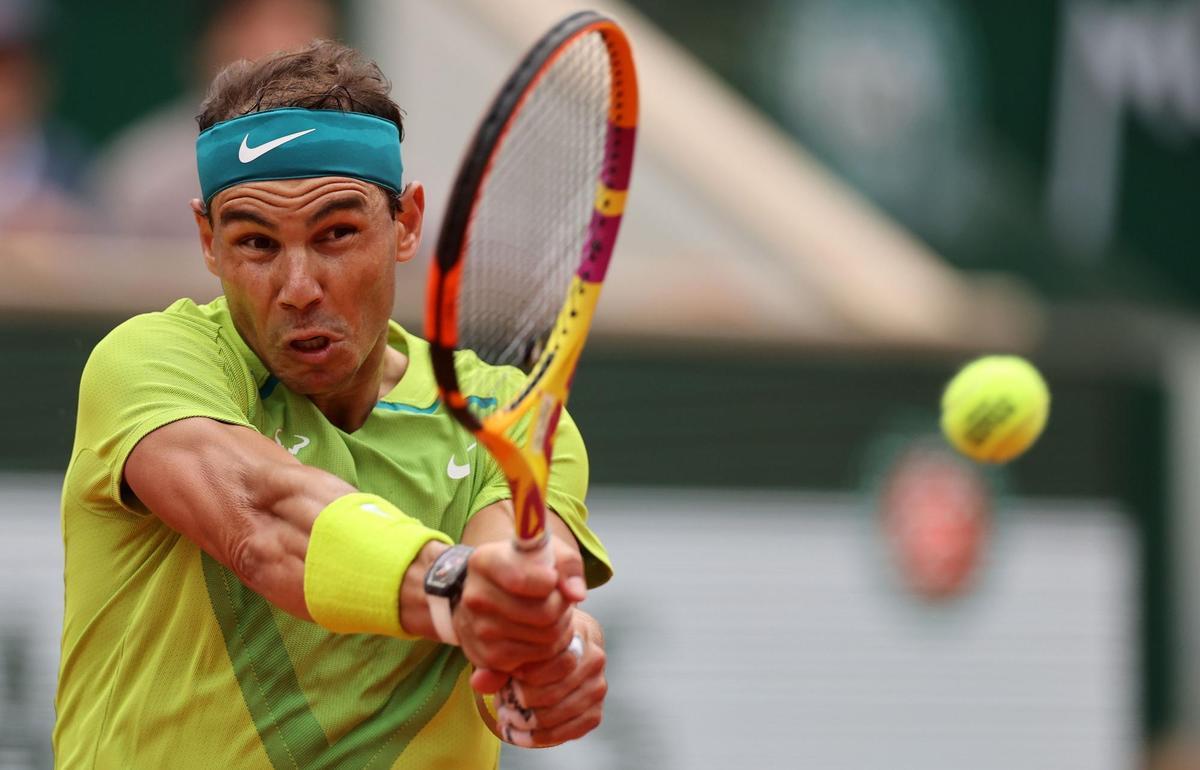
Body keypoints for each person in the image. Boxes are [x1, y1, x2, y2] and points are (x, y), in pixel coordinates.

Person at [55, 40, 612, 769]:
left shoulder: (511, 411)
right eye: (256, 243)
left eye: (337, 235)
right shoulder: (151, 363)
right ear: (208, 241)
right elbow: (263, 519)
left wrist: (546, 654)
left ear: (406, 222)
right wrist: (459, 587)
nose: (298, 287)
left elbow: (512, 630)